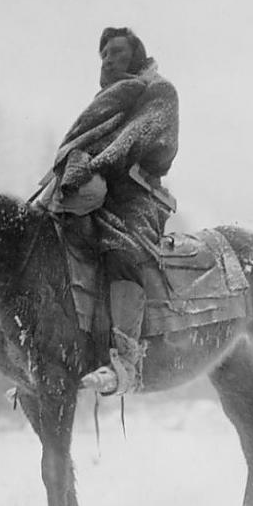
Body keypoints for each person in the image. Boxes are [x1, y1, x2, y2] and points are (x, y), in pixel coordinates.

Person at [43, 27, 179, 394]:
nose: (108, 57)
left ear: (136, 53)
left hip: (136, 195)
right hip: (96, 190)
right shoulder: (106, 100)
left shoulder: (159, 91)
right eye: (103, 53)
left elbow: (142, 138)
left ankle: (126, 358)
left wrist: (94, 165)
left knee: (122, 250)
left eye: (117, 50)